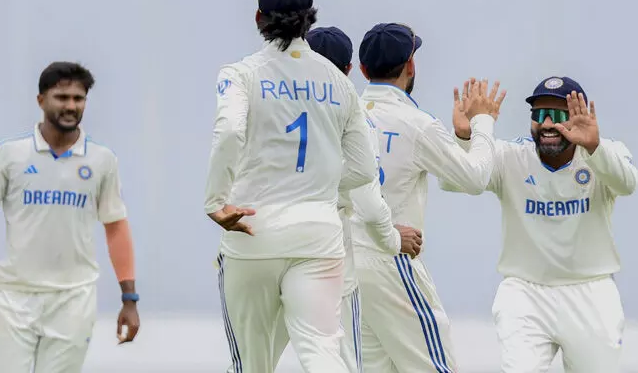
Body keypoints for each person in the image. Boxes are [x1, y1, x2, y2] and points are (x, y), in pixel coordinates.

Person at [204, 0, 379, 371]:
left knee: (252, 363)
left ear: (258, 17)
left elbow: (229, 131)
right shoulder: (339, 82)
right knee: (322, 353)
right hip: (318, 234)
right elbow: (364, 167)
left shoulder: (240, 74)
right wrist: (317, 183)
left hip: (252, 230)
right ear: (309, 18)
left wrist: (215, 202)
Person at [224, 25, 423, 373]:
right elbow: (369, 202)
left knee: (250, 365)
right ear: (349, 70)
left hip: (259, 243)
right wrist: (393, 239)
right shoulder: (350, 112)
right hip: (325, 255)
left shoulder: (265, 105)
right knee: (333, 360)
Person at [441, 76, 636, 373]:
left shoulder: (603, 153)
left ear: (579, 117)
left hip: (591, 293)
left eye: (557, 115)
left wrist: (594, 146)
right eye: (539, 114)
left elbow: (627, 184)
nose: (546, 124)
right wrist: (465, 137)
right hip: (524, 293)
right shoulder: (510, 157)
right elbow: (455, 181)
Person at [354, 22, 506, 373]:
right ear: (410, 65)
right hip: (392, 259)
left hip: (347, 262)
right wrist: (482, 123)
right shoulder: (417, 123)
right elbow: (474, 178)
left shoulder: (347, 114)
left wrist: (461, 138)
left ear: (362, 69)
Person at [0, 61, 140, 373]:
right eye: (62, 97)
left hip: (73, 299)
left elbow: (115, 228)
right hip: (15, 297)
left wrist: (130, 298)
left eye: (78, 98)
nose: (71, 106)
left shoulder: (102, 160)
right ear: (41, 100)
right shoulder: (8, 154)